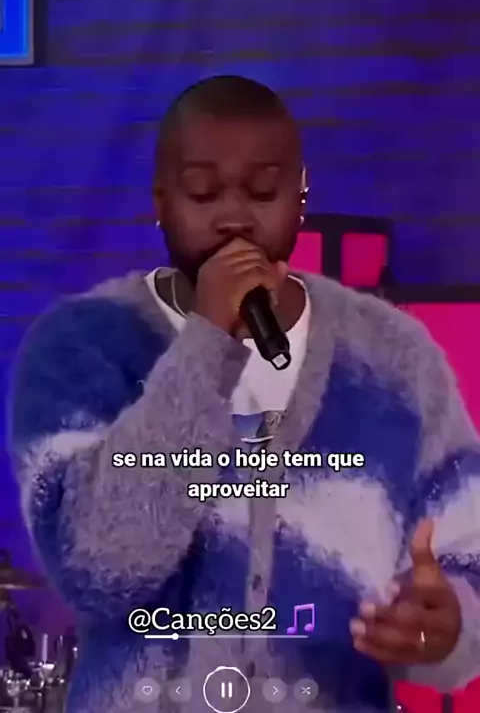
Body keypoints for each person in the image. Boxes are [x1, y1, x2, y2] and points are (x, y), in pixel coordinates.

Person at [6, 75, 480, 713]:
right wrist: (207, 345)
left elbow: (466, 560)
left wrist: (451, 625)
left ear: (301, 196)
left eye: (263, 191)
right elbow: (96, 569)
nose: (234, 215)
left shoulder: (396, 361)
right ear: (161, 200)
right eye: (203, 191)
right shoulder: (80, 346)